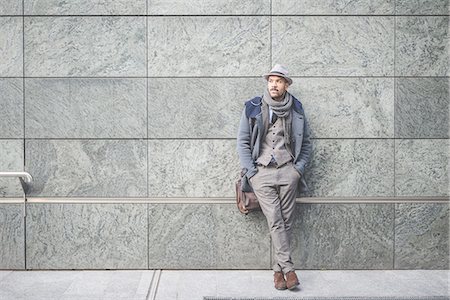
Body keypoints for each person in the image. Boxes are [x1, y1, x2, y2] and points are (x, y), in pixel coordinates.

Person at [237, 64, 312, 290]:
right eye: (271, 80)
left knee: (286, 221)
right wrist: (251, 172)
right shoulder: (253, 107)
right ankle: (289, 269)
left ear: (286, 85)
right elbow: (242, 141)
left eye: (278, 81)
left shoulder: (296, 108)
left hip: (288, 171)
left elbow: (306, 143)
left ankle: (278, 272)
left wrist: (297, 170)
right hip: (261, 172)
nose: (273, 84)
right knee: (276, 220)